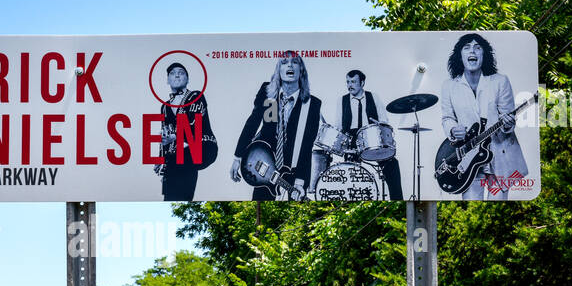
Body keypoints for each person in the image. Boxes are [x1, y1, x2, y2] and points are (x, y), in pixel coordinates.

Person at [439, 33, 528, 200]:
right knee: (471, 208)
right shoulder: (449, 86)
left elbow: (508, 118)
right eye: (467, 47)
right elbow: (447, 118)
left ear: (484, 54)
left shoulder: (500, 81)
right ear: (460, 55)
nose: (472, 51)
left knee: (497, 208)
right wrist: (453, 129)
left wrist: (508, 124)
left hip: (498, 156)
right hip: (468, 159)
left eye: (477, 47)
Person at [232, 52, 323, 200]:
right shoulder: (268, 94)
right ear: (278, 70)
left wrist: (300, 181)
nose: (290, 65)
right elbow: (252, 123)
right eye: (284, 62)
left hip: (292, 172)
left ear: (301, 71)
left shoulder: (311, 104)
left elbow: (306, 146)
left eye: (295, 62)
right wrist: (238, 157)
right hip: (264, 168)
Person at [310, 69, 404, 200]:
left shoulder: (374, 97)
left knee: (392, 163)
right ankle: (353, 199)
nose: (350, 85)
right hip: (351, 139)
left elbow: (384, 120)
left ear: (362, 82)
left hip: (371, 136)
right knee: (350, 172)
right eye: (348, 82)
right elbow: (338, 126)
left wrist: (379, 124)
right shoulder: (341, 100)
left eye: (353, 82)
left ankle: (397, 199)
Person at [156, 62, 217, 200]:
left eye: (181, 72)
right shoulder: (164, 107)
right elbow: (164, 133)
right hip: (178, 156)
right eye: (172, 73)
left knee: (183, 162)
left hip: (201, 146)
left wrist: (174, 137)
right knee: (170, 189)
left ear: (188, 79)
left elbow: (194, 125)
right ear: (167, 80)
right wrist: (161, 159)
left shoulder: (195, 96)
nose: (177, 75)